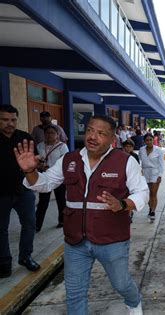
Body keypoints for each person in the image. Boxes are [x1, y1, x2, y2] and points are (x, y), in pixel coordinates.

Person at [16, 115, 148, 314]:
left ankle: (133, 300)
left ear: (113, 138)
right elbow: (45, 183)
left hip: (111, 239)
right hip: (75, 241)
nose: (93, 136)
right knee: (75, 292)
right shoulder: (69, 159)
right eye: (89, 130)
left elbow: (141, 192)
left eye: (101, 133)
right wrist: (29, 172)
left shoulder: (125, 161)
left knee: (121, 284)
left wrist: (122, 204)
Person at [0, 105, 40, 278]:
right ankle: (4, 263)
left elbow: (35, 161)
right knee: (1, 229)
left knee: (30, 224)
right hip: (0, 193)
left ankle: (25, 256)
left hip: (24, 190)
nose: (10, 123)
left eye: (13, 119)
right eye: (5, 119)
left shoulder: (24, 138)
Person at [35, 125, 69, 231]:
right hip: (45, 176)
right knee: (43, 201)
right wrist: (40, 166)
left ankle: (62, 221)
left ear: (57, 135)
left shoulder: (62, 146)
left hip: (59, 177)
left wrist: (50, 168)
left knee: (61, 200)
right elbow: (36, 159)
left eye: (52, 133)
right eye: (47, 133)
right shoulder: (40, 146)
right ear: (44, 134)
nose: (50, 135)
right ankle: (37, 224)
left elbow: (65, 161)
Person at [139, 133, 164, 222]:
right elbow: (140, 162)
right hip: (145, 173)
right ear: (144, 141)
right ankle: (151, 208)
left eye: (150, 140)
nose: (149, 142)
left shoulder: (158, 150)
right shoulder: (141, 150)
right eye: (147, 140)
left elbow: (161, 164)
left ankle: (153, 211)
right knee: (147, 194)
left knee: (153, 193)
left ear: (153, 140)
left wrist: (160, 175)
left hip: (155, 172)